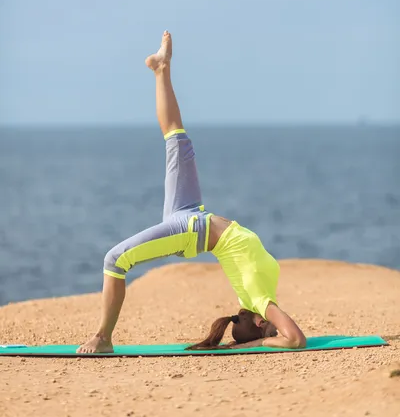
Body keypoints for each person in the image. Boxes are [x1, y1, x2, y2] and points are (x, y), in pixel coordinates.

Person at [77, 31, 306, 354]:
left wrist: (254, 340)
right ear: (256, 323)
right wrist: (256, 339)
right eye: (242, 323)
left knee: (114, 260)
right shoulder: (258, 297)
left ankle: (103, 338)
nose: (237, 315)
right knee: (176, 137)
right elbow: (294, 338)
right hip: (193, 215)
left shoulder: (256, 298)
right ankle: (162, 69)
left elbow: (293, 340)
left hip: (190, 231)